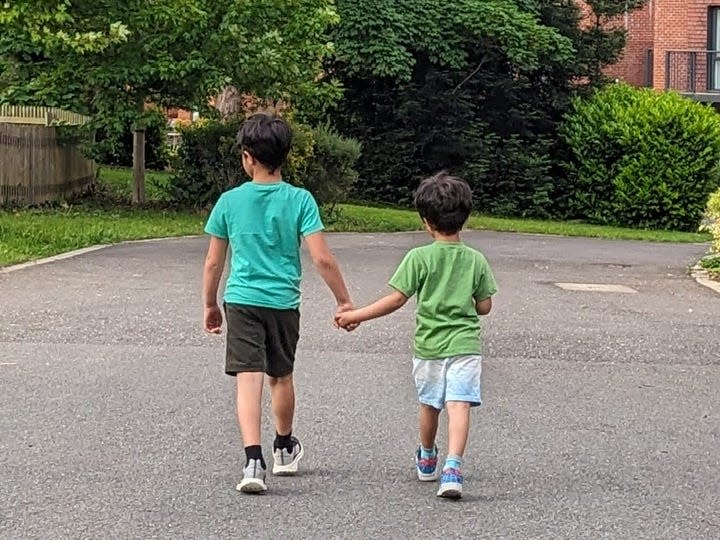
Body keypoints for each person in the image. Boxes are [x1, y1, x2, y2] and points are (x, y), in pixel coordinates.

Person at [203, 113, 353, 494]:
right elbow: (322, 258)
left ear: (248, 157)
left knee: (248, 379)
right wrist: (343, 300)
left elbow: (213, 261)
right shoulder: (300, 200)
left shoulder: (229, 201)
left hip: (241, 300)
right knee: (281, 375)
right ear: (284, 155)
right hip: (283, 303)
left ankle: (253, 460)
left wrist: (210, 304)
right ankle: (284, 447)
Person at [335, 172, 497, 499]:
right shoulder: (476, 260)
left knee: (429, 405)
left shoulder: (418, 258)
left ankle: (427, 457)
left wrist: (356, 315)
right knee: (459, 404)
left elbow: (395, 299)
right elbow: (485, 306)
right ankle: (453, 467)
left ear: (426, 221)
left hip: (430, 348)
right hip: (465, 346)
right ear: (465, 217)